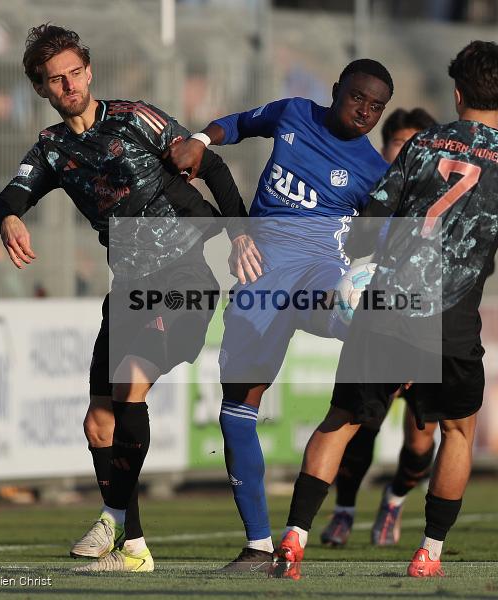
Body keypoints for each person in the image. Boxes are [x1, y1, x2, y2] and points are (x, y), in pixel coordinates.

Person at [270, 40, 498, 580]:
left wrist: (362, 265)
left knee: (340, 421)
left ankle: (293, 537)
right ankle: (427, 552)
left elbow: (370, 223)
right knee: (457, 432)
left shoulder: (423, 146)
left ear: (456, 93)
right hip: (451, 323)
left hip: (386, 306)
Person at [0, 24, 247, 573]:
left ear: (89, 71)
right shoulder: (53, 149)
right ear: (42, 89)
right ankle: (126, 537)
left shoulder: (136, 119)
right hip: (128, 288)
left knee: (130, 379)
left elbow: (210, 163)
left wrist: (242, 233)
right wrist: (9, 217)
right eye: (55, 80)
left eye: (75, 72)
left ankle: (121, 535)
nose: (68, 85)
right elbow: (9, 196)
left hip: (184, 278)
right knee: (98, 423)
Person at [168, 59, 394, 570]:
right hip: (261, 276)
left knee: (355, 308)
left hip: (319, 275)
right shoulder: (294, 113)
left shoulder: (374, 171)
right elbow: (243, 124)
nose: (365, 111)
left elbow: (384, 236)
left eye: (376, 106)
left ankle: (388, 344)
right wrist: (202, 138)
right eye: (357, 98)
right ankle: (258, 545)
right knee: (237, 407)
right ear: (336, 91)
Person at [319, 107, 442, 549]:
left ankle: (394, 500)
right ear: (385, 147)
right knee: (360, 420)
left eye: (416, 144)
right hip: (374, 324)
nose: (407, 153)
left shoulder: (439, 199)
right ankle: (344, 511)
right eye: (398, 145)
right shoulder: (370, 195)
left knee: (421, 434)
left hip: (425, 328)